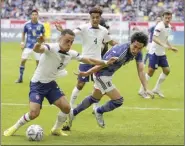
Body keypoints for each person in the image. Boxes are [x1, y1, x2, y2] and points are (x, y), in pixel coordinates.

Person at [3, 29, 118, 137]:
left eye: (71, 42)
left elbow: (89, 60)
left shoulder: (71, 53)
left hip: (51, 84)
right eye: (67, 41)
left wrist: (105, 62)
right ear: (60, 39)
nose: (69, 44)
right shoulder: (51, 47)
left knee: (67, 108)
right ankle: (14, 127)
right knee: (34, 113)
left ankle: (56, 129)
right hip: (37, 84)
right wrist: (38, 43)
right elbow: (38, 49)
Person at [63, 31, 154, 130]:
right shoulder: (120, 52)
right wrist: (87, 73)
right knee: (118, 100)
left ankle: (73, 113)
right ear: (131, 42)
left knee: (94, 98)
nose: (136, 50)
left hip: (107, 75)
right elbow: (101, 64)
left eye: (139, 48)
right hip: (101, 75)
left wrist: (146, 88)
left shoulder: (138, 53)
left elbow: (141, 71)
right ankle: (99, 111)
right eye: (135, 46)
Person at [55, 6, 117, 109]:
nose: (95, 19)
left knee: (98, 86)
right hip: (85, 61)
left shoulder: (104, 30)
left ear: (100, 18)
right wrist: (62, 30)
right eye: (93, 17)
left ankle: (95, 107)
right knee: (80, 84)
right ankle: (71, 104)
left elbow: (112, 42)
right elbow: (71, 34)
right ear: (90, 17)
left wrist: (124, 47)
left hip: (98, 62)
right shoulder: (83, 28)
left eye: (97, 17)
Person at [138, 11, 178, 98]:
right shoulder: (159, 26)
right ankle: (142, 90)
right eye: (166, 18)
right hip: (154, 52)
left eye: (169, 18)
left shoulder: (169, 27)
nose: (167, 19)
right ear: (163, 17)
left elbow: (165, 39)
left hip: (161, 53)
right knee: (150, 72)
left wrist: (171, 47)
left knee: (167, 70)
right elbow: (154, 38)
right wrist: (164, 45)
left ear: (171, 18)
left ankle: (156, 89)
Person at [16, 9, 45, 83]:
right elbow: (23, 33)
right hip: (28, 46)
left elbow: (44, 35)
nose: (34, 16)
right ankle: (20, 78)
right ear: (31, 16)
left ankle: (35, 79)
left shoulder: (41, 25)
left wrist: (43, 43)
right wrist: (22, 42)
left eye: (36, 14)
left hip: (37, 47)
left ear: (37, 16)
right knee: (23, 61)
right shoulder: (26, 24)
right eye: (33, 14)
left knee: (38, 63)